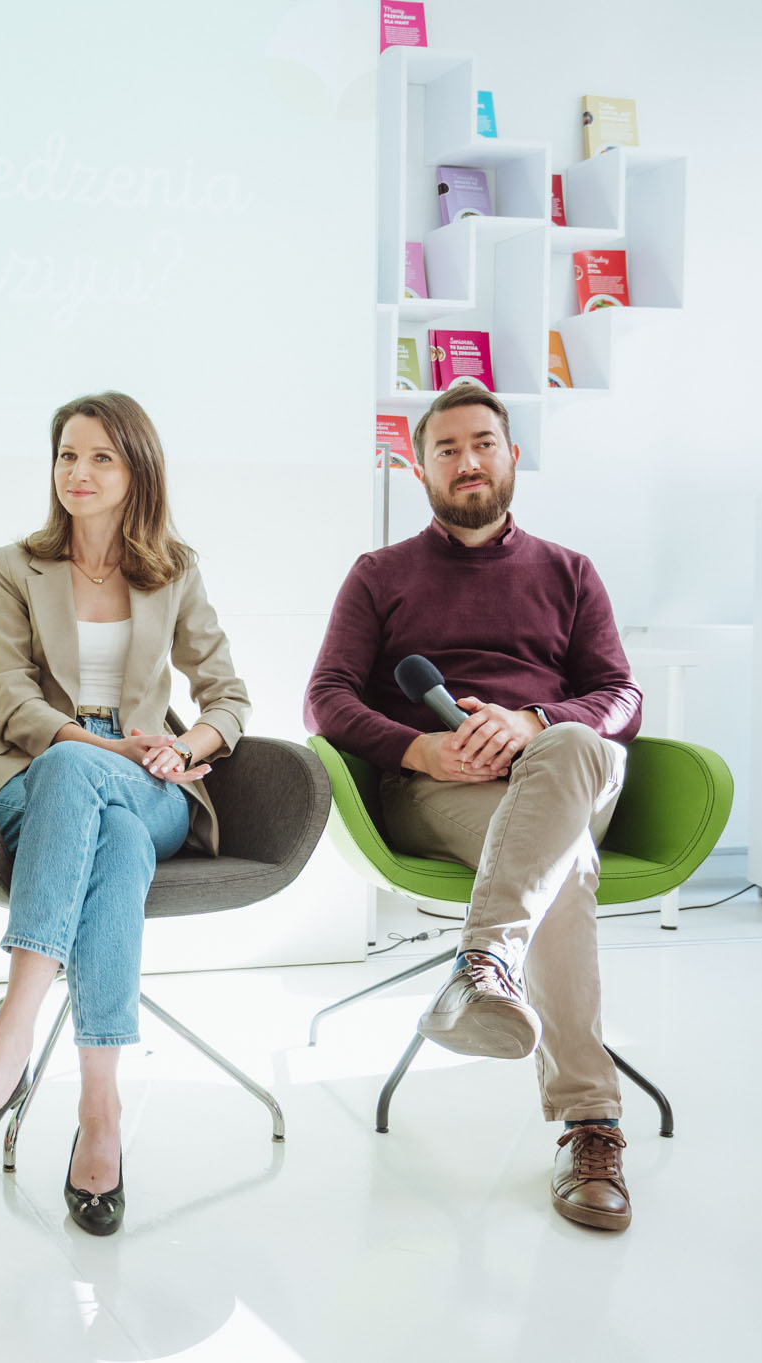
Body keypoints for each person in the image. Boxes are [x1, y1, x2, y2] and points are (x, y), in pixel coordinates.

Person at [305, 385, 643, 1232]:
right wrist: (420, 749)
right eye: (447, 449)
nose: (468, 461)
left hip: (562, 773)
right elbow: (326, 697)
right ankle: (592, 1123)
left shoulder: (570, 571)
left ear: (511, 456)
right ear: (418, 467)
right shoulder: (379, 575)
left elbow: (620, 694)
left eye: (483, 443)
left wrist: (534, 722)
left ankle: (482, 962)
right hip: (441, 790)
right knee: (566, 862)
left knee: (571, 746)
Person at [0, 392, 249, 1237]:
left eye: (102, 456)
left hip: (150, 780)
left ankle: (11, 1036)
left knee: (122, 808)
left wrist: (184, 747)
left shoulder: (175, 570)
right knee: (115, 837)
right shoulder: (18, 565)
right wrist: (93, 746)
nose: (79, 471)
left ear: (137, 470)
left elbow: (229, 697)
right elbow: (6, 693)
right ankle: (100, 1112)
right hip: (34, 774)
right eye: (68, 454)